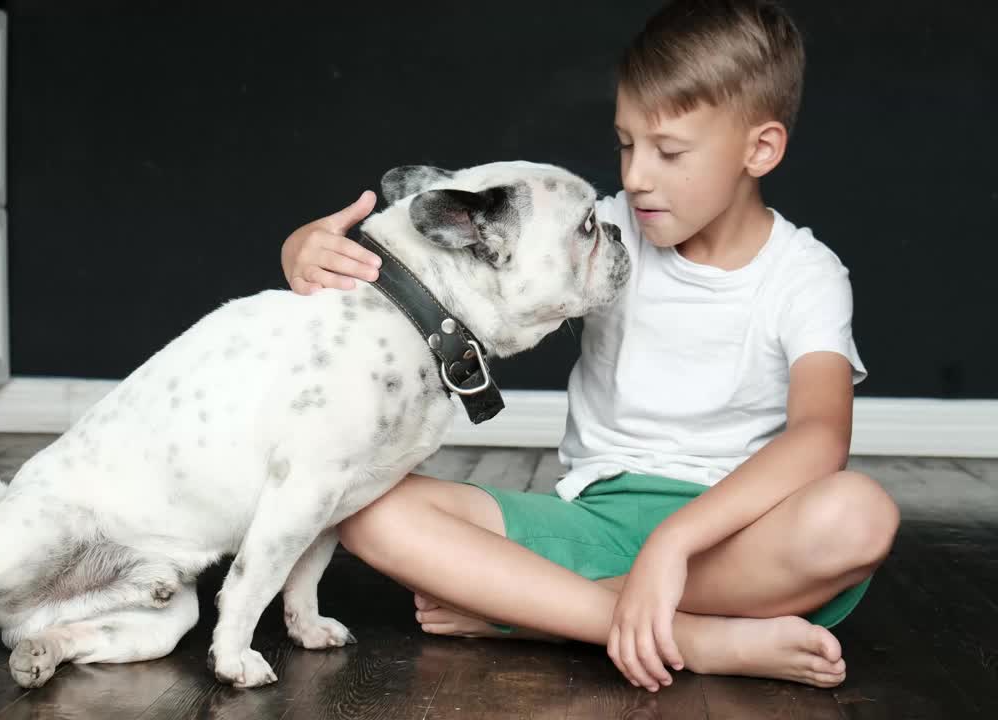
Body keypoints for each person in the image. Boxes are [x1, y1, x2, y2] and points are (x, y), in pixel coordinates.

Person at [278, 0, 899, 692]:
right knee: (362, 503)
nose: (635, 177)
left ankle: (535, 611)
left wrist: (674, 542)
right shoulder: (594, 235)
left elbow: (819, 440)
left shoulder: (806, 274)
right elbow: (442, 249)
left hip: (733, 541)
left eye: (668, 152)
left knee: (859, 514)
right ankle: (689, 636)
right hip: (591, 518)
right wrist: (301, 250)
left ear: (760, 149)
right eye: (626, 144)